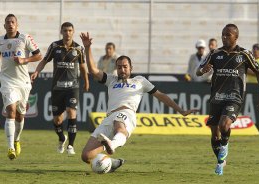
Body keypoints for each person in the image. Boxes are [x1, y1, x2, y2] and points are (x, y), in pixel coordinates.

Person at [79, 32, 198, 172]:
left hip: (126, 113)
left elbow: (161, 95)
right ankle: (113, 162)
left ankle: (111, 144)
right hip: (109, 117)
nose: (122, 69)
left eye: (125, 66)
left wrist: (181, 110)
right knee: (86, 156)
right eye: (119, 67)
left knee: (119, 127)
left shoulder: (140, 81)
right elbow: (93, 70)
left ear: (131, 68)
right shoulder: (111, 80)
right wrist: (87, 48)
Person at [196, 24, 259, 175]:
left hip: (235, 97)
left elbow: (258, 72)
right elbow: (198, 71)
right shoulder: (215, 53)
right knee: (214, 134)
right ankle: (221, 162)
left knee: (224, 124)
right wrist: (203, 70)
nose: (224, 37)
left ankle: (225, 144)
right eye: (223, 34)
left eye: (228, 34)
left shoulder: (244, 54)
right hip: (216, 98)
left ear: (236, 37)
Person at [31, 22, 89, 155]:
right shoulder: (54, 46)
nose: (67, 33)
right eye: (65, 31)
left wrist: (86, 82)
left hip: (72, 87)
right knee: (57, 120)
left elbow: (83, 67)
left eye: (69, 30)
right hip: (57, 88)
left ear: (73, 32)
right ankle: (62, 138)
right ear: (61, 32)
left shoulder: (79, 48)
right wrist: (36, 72)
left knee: (71, 111)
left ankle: (71, 146)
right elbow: (44, 60)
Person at [0, 14, 42, 160]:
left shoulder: (25, 38)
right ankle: (10, 147)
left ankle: (17, 140)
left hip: (23, 81)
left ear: (17, 25)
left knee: (20, 114)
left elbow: (39, 56)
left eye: (13, 22)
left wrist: (25, 59)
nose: (10, 24)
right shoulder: (0, 41)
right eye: (7, 22)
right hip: (7, 80)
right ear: (4, 26)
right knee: (10, 110)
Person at [247, 43, 259, 133]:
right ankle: (249, 125)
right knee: (249, 106)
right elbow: (246, 69)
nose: (256, 52)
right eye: (254, 50)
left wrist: (253, 71)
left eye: (257, 50)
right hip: (250, 85)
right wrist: (258, 72)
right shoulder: (249, 59)